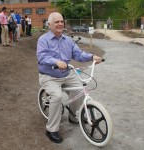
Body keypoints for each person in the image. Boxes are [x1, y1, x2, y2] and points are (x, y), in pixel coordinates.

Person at [36, 12, 103, 143]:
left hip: (67, 73)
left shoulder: (68, 40)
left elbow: (78, 54)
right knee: (57, 96)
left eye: (61, 21)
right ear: (49, 24)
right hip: (49, 76)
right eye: (56, 22)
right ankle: (51, 129)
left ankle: (73, 116)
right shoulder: (43, 40)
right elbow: (42, 56)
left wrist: (91, 57)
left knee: (80, 90)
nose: (60, 24)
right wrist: (55, 61)